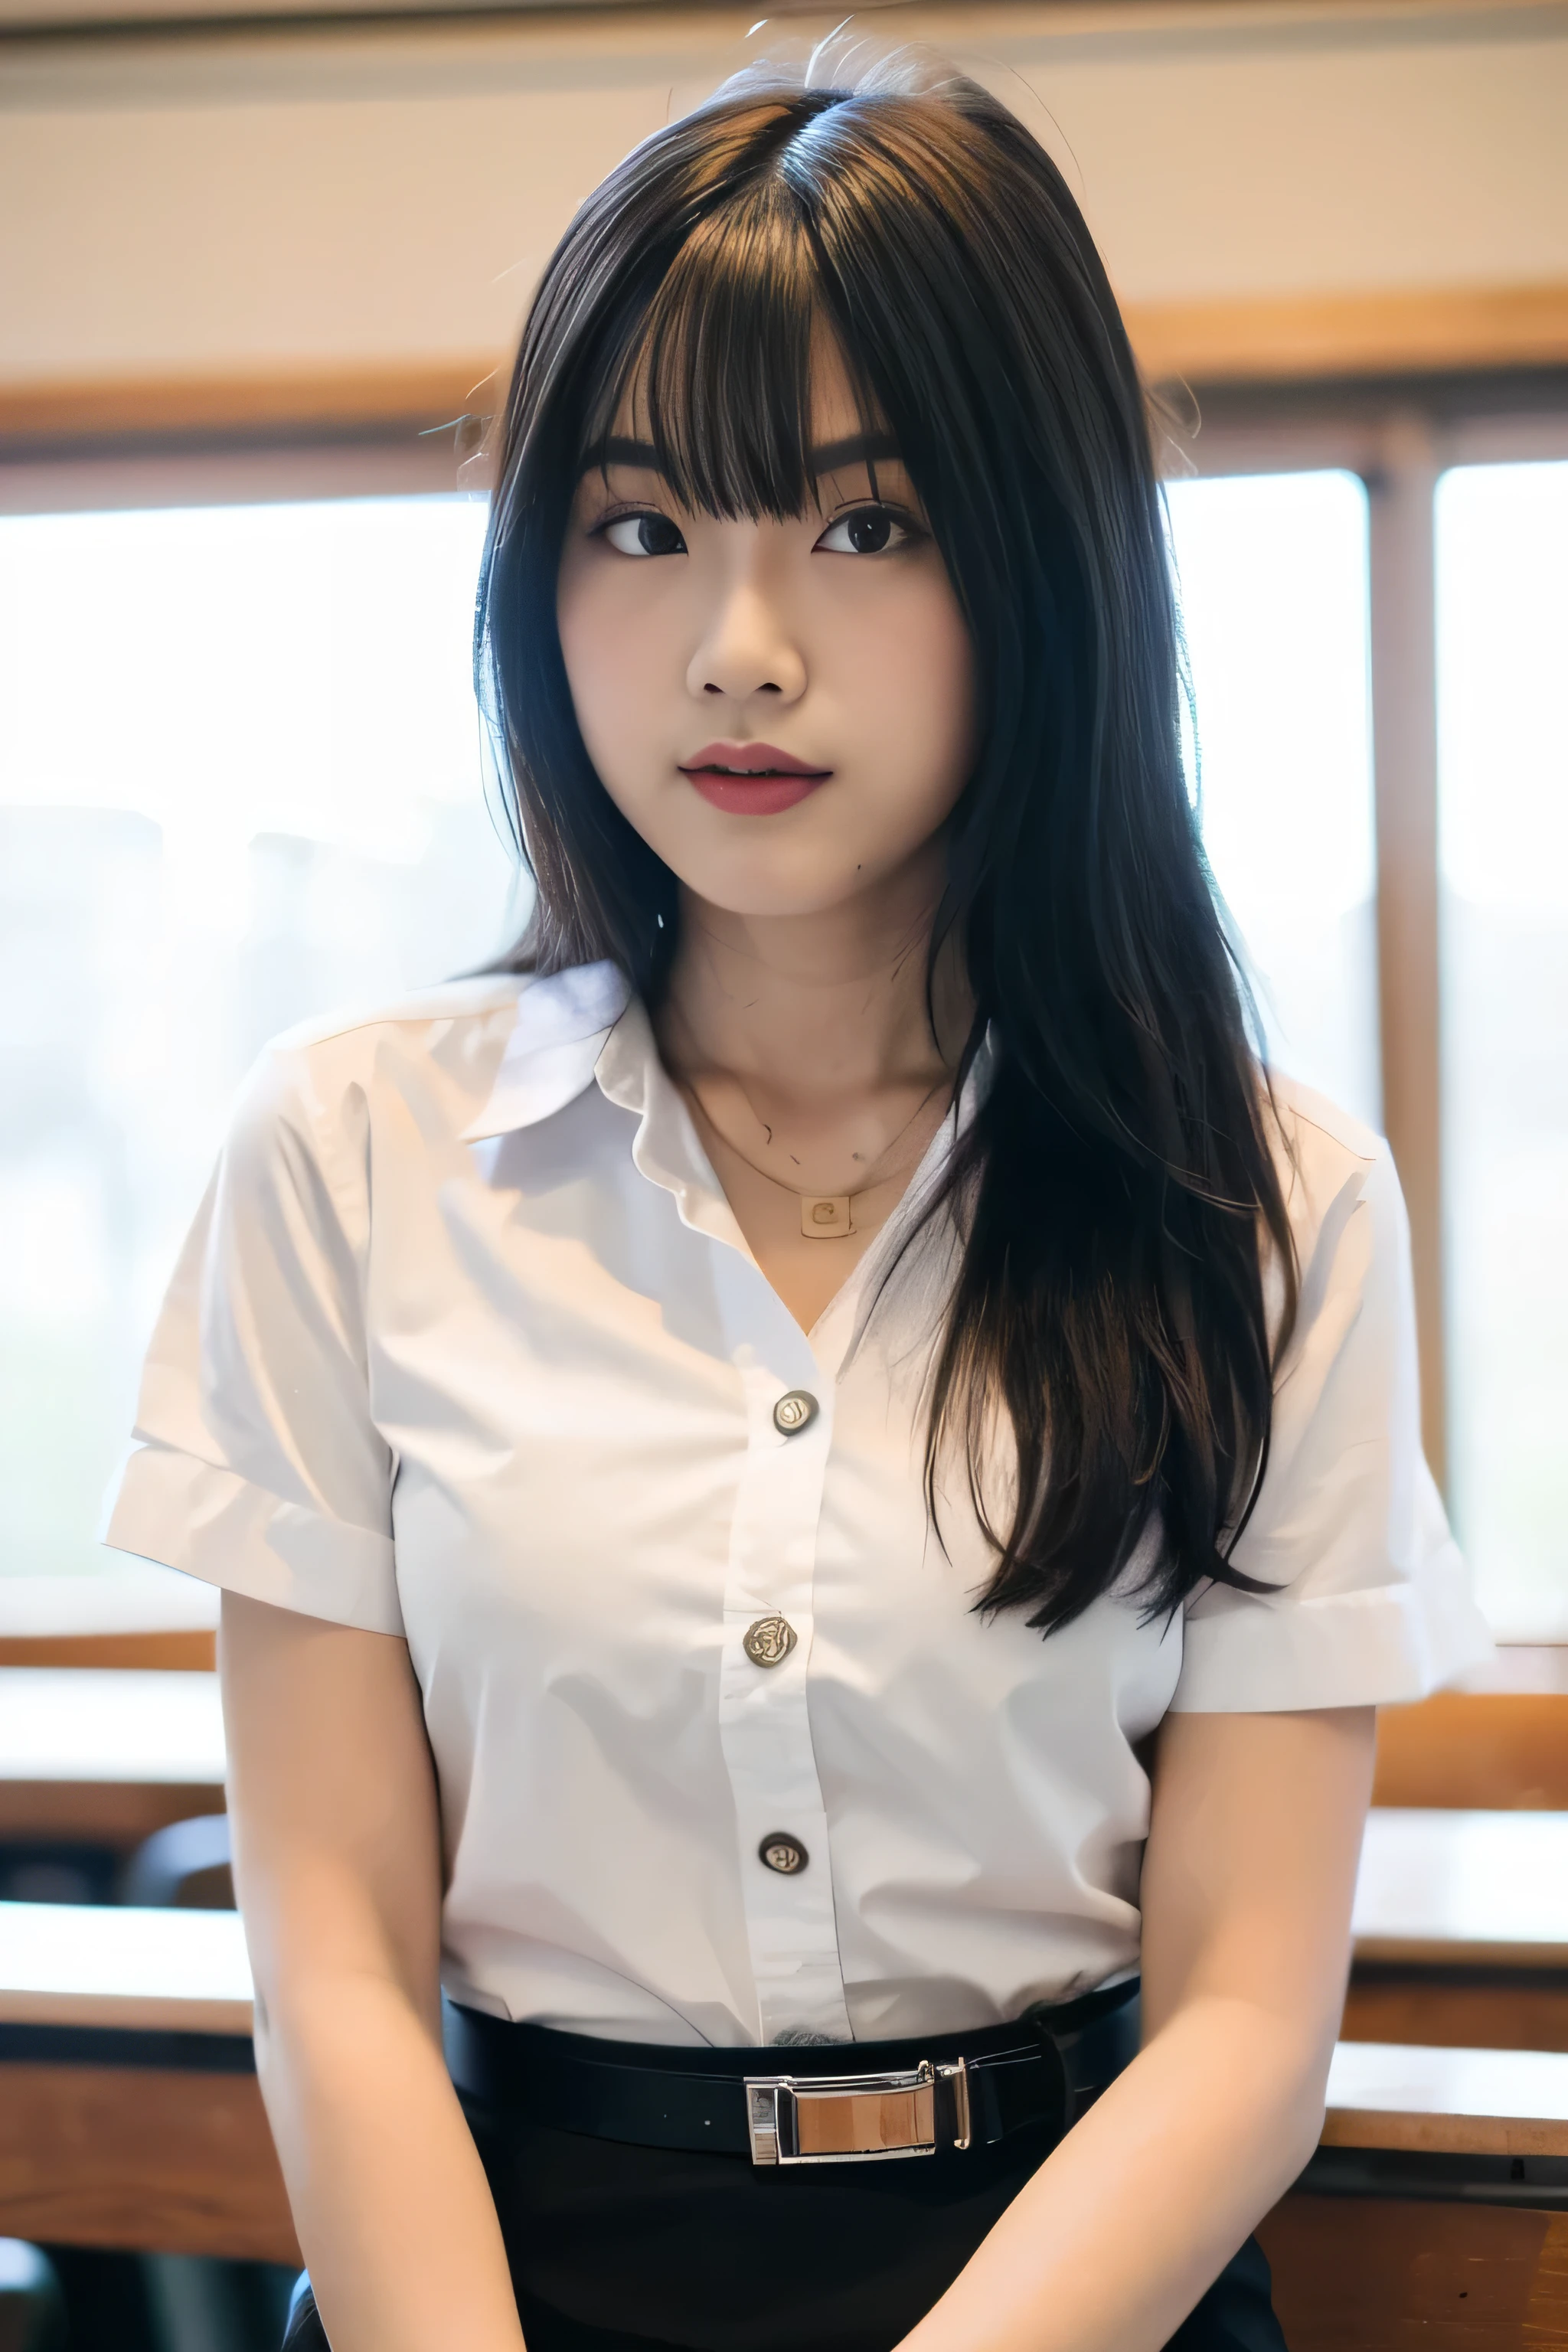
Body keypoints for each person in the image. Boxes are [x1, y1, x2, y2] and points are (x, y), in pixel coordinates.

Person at [104, 43, 1491, 2352]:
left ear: (1040, 567)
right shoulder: (346, 1155)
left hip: (1069, 2287)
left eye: (865, 523)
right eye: (641, 526)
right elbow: (335, 1956)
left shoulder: (1268, 1207)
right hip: (497, 2275)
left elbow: (1245, 2021)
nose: (739, 641)